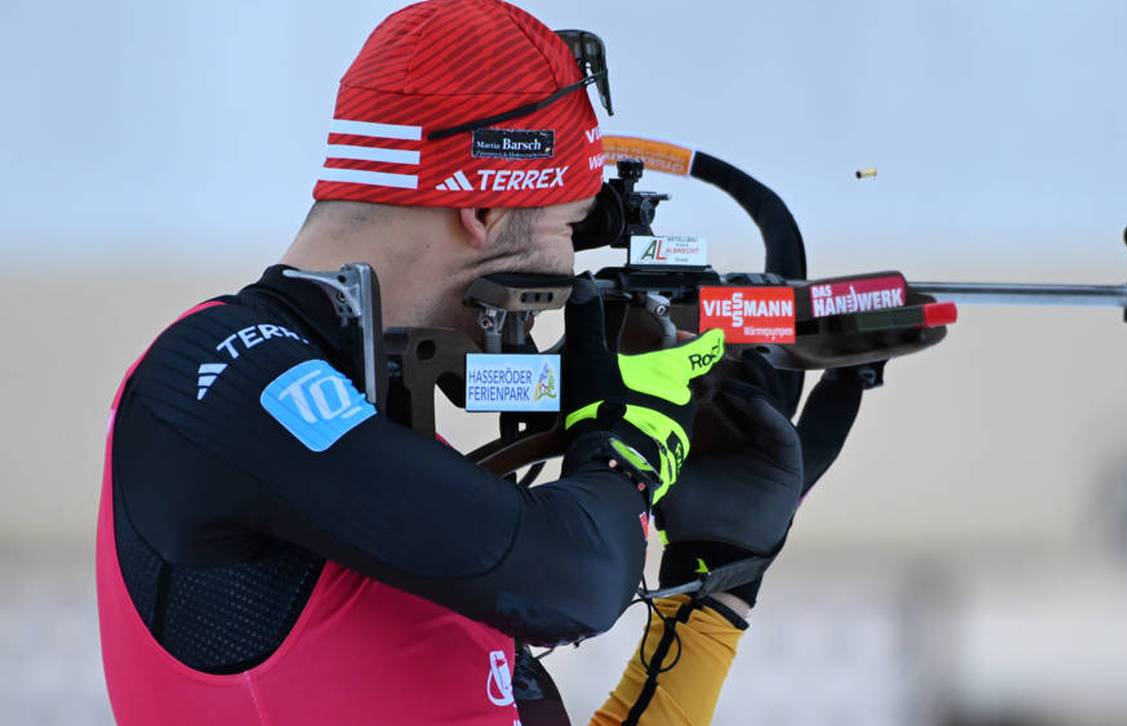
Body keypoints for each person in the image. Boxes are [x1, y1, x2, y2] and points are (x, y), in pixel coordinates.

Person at [95, 1, 804, 724]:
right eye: (566, 225)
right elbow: (578, 583)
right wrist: (626, 446)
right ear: (486, 211)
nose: (565, 271)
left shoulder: (393, 474)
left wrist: (713, 586)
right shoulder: (215, 374)